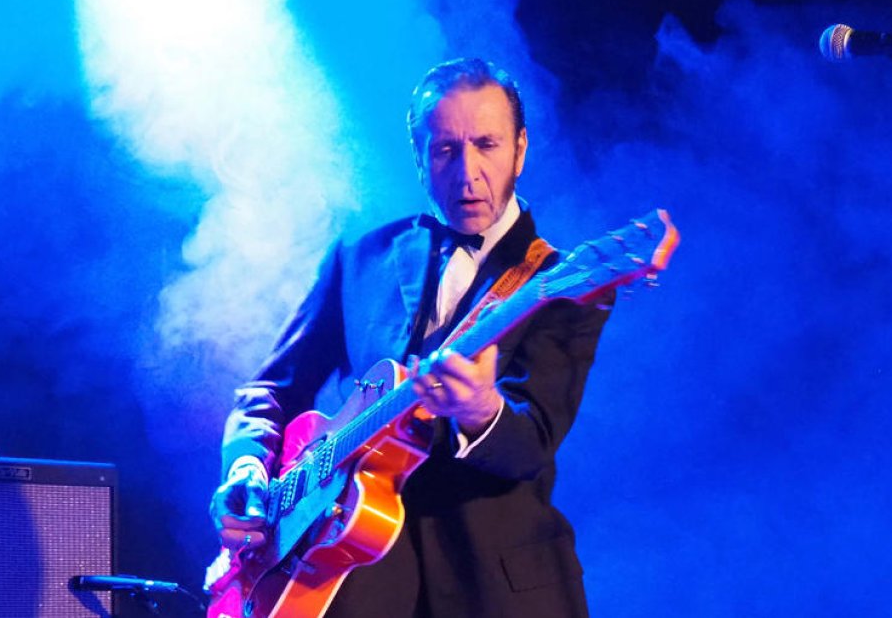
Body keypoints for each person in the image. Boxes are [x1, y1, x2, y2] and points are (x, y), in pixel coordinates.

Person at [210, 57, 614, 617]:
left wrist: (481, 410)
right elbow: (270, 391)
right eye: (446, 149)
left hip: (494, 593)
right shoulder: (360, 256)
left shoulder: (561, 284)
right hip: (347, 584)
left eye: (487, 145)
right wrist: (248, 467)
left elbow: (533, 443)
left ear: (520, 150)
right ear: (420, 158)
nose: (467, 172)